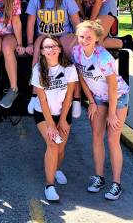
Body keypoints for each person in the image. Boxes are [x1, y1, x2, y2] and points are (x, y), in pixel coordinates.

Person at [72, 20, 130, 200]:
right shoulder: (76, 52)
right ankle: (99, 178)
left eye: (89, 37)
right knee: (97, 137)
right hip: (97, 98)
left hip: (117, 98)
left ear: (97, 38)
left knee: (113, 140)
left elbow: (113, 88)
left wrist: (112, 113)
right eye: (81, 36)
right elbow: (81, 76)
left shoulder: (104, 58)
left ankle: (116, 183)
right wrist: (91, 101)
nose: (84, 40)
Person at [25, 0, 81, 116]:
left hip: (64, 35)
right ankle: (35, 95)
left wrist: (81, 39)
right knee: (37, 54)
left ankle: (76, 99)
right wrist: (30, 43)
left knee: (72, 59)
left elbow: (76, 21)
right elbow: (30, 23)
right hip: (44, 35)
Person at [30, 35, 78, 201]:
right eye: (47, 47)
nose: (51, 49)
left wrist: (63, 120)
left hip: (63, 112)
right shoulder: (38, 69)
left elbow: (69, 97)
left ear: (59, 48)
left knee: (61, 148)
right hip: (43, 114)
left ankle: (56, 169)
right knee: (52, 144)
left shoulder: (69, 68)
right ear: (42, 52)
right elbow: (42, 99)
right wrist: (51, 125)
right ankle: (49, 186)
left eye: (54, 46)